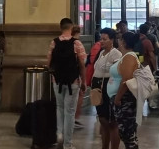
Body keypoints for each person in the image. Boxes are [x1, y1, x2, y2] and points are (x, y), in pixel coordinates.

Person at [46, 18, 87, 149]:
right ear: (72, 27)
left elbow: (48, 63)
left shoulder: (54, 42)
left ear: (60, 27)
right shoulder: (77, 44)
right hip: (73, 82)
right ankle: (67, 143)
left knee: (59, 108)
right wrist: (84, 81)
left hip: (56, 81)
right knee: (70, 112)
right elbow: (82, 64)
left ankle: (59, 134)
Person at [108, 32, 141, 149]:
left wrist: (117, 98)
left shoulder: (129, 57)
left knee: (127, 132)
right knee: (125, 131)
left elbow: (126, 79)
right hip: (121, 98)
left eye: (120, 39)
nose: (118, 41)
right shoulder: (125, 56)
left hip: (124, 99)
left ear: (124, 42)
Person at [92, 28, 122, 149]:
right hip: (97, 88)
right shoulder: (101, 53)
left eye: (104, 39)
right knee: (103, 120)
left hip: (108, 89)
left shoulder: (116, 54)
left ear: (112, 40)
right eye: (101, 38)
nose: (101, 41)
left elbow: (118, 74)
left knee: (112, 122)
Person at [72, 25, 86, 128]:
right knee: (79, 96)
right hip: (75, 76)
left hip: (61, 78)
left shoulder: (60, 42)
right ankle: (74, 118)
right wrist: (84, 80)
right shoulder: (78, 43)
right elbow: (83, 62)